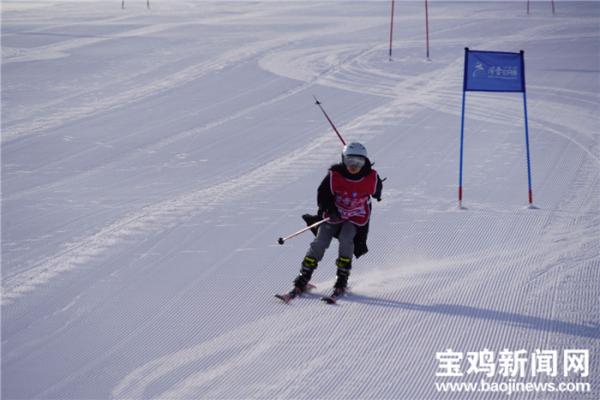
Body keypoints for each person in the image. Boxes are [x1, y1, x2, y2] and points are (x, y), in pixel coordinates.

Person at [286, 142, 383, 300]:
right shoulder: (334, 176)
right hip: (334, 215)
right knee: (320, 242)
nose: (353, 166)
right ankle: (303, 277)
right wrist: (330, 209)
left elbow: (376, 191)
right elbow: (322, 195)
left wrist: (377, 187)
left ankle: (341, 280)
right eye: (350, 161)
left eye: (359, 162)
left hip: (355, 217)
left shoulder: (370, 177)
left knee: (346, 240)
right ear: (343, 159)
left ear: (365, 161)